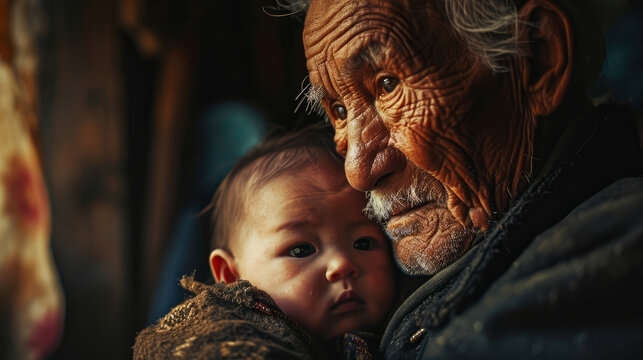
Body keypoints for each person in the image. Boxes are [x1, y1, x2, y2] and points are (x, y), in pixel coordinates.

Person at [283, 0, 643, 358]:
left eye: (388, 84)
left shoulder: (610, 254)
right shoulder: (375, 270)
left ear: (537, 57)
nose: (359, 171)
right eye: (340, 111)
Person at [133, 123, 397, 359]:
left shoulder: (404, 326)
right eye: (301, 249)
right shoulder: (220, 329)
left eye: (363, 243)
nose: (342, 264)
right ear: (231, 275)